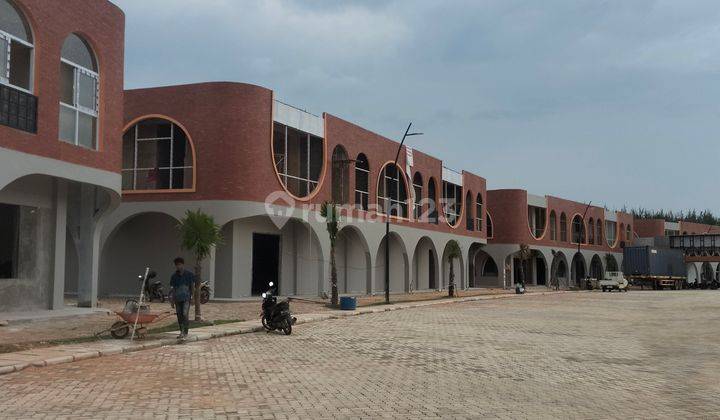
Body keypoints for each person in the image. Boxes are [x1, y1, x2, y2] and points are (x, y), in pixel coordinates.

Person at [170, 257, 196, 340]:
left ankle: (185, 332)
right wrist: (172, 300)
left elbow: (192, 287)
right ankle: (181, 331)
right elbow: (173, 289)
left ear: (183, 264)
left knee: (185, 314)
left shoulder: (189, 275)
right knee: (179, 315)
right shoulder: (174, 276)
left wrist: (192, 298)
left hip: (186, 298)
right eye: (177, 265)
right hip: (177, 298)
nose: (178, 266)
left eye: (180, 264)